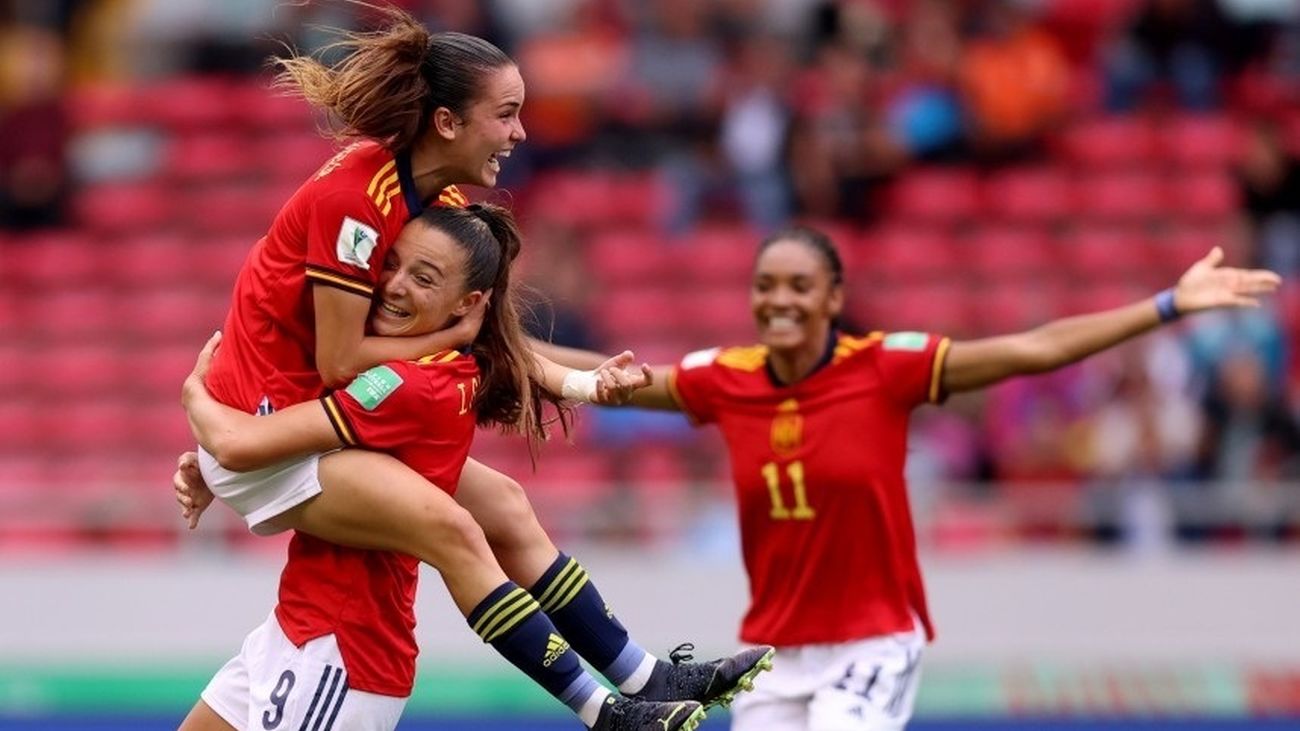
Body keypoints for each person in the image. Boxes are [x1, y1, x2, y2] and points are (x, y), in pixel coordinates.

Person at [176, 6, 771, 730]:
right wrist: (452, 336)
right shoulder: (356, 200)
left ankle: (645, 675)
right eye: (508, 113)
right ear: (450, 123)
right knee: (453, 529)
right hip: (278, 439)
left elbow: (501, 346)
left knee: (507, 509)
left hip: (307, 424)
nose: (520, 132)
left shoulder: (441, 209)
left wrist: (602, 382)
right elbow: (339, 362)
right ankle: (603, 712)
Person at [537, 226, 1281, 731]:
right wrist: (496, 340)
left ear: (833, 298)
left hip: (871, 641)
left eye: (801, 284)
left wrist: (1167, 305)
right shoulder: (726, 378)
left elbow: (1032, 348)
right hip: (775, 650)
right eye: (767, 284)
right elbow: (617, 381)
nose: (780, 299)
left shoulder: (883, 368)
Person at [178, 204, 720, 731]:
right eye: (391, 263)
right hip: (293, 633)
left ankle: (605, 710)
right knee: (503, 502)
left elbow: (241, 446)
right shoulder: (443, 360)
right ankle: (636, 682)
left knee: (470, 525)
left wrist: (196, 397)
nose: (392, 284)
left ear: (468, 303)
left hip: (339, 650)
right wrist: (578, 381)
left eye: (424, 278)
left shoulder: (400, 384)